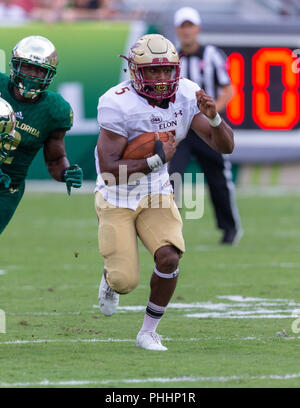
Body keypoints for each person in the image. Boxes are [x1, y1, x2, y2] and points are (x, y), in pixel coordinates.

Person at [94, 34, 234, 351]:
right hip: (117, 197)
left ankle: (148, 331)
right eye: (152, 71)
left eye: (165, 70)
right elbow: (108, 170)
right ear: (135, 70)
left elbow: (226, 146)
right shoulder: (117, 102)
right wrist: (157, 159)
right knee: (124, 281)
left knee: (169, 256)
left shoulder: (186, 93)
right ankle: (109, 278)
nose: (160, 78)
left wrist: (214, 116)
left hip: (157, 192)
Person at [169, 6, 242, 245]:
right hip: (181, 129)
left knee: (218, 180)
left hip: (207, 128)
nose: (187, 31)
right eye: (183, 26)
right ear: (177, 30)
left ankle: (229, 228)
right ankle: (167, 229)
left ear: (197, 28)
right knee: (170, 179)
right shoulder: (171, 58)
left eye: (190, 26)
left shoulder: (211, 54)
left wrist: (212, 116)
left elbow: (228, 89)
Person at [0, 35, 83, 235]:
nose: (33, 75)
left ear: (50, 75)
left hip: (6, 189)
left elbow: (55, 160)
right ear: (15, 65)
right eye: (28, 67)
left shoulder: (54, 109)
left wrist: (66, 173)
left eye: (40, 70)